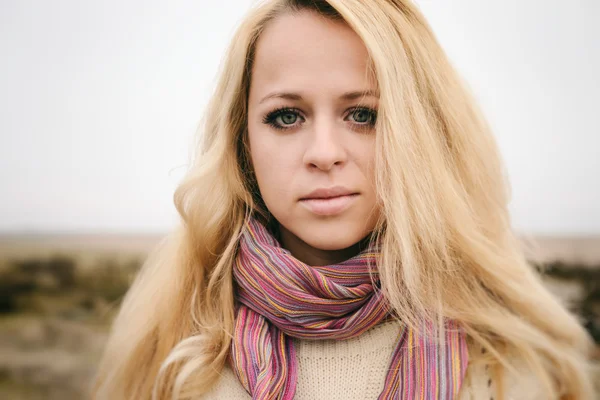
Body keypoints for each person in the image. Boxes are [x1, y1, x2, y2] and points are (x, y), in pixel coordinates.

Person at [91, 0, 597, 399]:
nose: (324, 153)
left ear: (419, 131)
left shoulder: (508, 367)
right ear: (242, 141)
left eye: (363, 116)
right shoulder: (172, 352)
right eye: (286, 117)